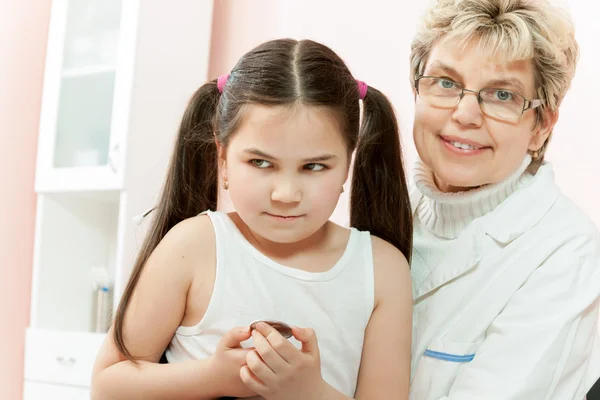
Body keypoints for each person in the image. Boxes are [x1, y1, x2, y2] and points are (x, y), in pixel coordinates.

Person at [90, 38, 413, 400]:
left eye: (314, 166)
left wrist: (310, 392)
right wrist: (213, 376)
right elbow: (108, 384)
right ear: (224, 158)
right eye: (261, 163)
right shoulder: (194, 246)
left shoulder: (382, 269)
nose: (286, 193)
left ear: (347, 165)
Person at [407, 0, 600, 398]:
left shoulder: (566, 255)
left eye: (501, 95)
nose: (465, 114)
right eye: (445, 82)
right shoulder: (373, 202)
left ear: (540, 127)